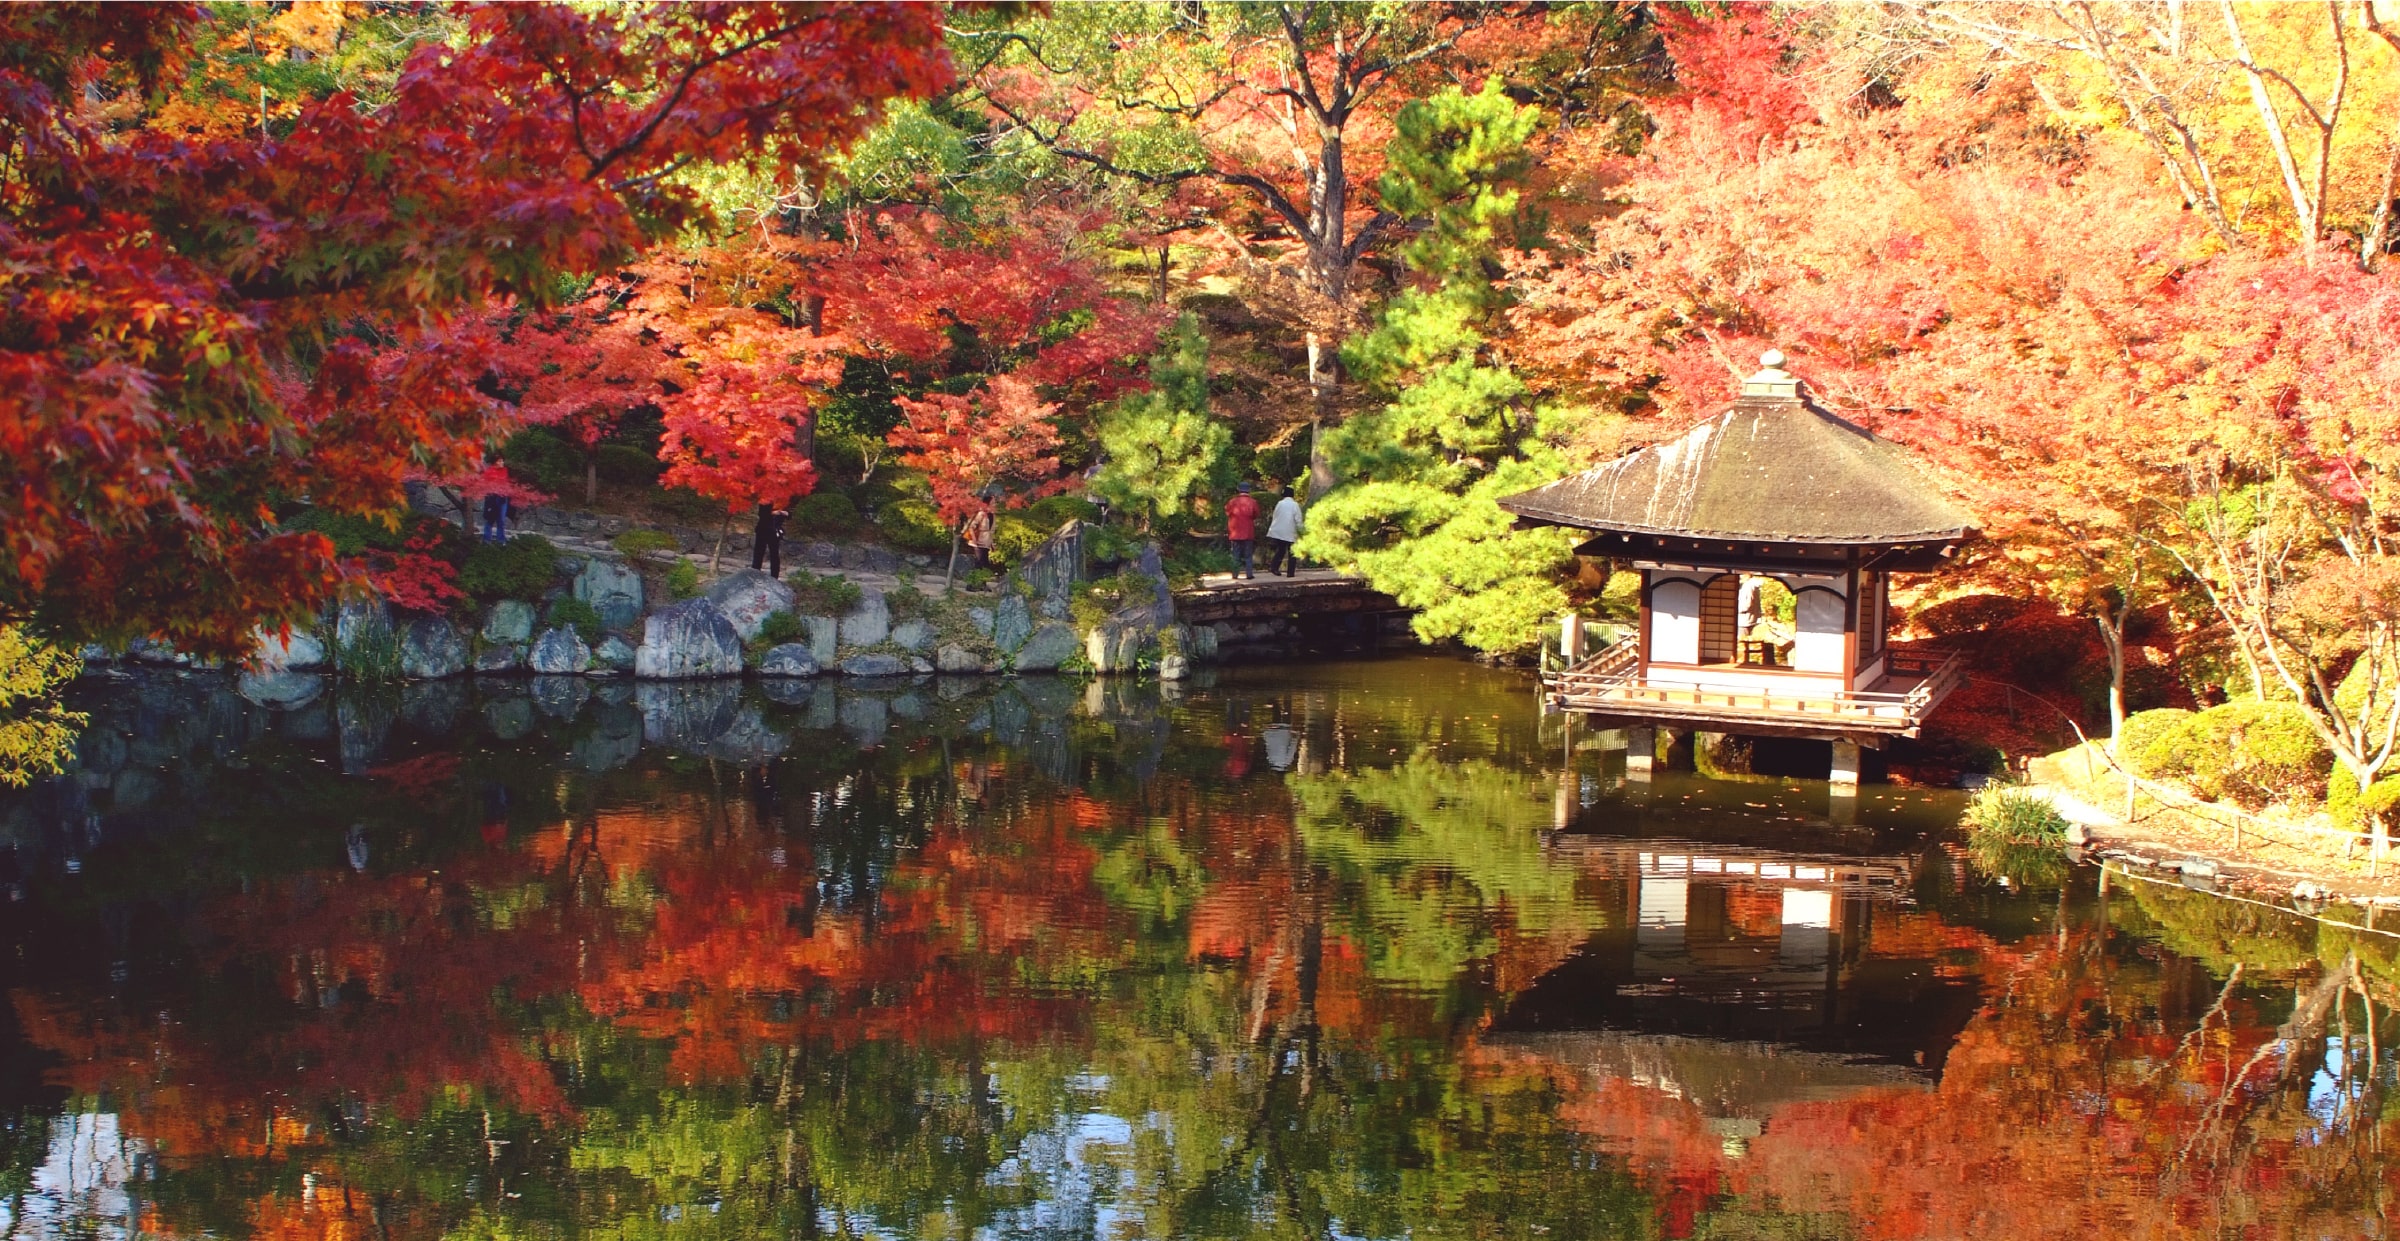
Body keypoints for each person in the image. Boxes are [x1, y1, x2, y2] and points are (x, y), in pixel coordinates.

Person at [1264, 483, 1304, 577]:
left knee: (1281, 550)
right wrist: (1301, 531)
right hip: (1290, 531)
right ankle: (1290, 572)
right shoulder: (1295, 505)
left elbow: (1275, 516)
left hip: (1279, 531)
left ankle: (1274, 567)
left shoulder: (1280, 504)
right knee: (1292, 552)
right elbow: (1298, 519)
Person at [1225, 481, 1260, 579]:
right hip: (1248, 532)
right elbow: (1256, 514)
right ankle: (1249, 574)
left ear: (1238, 489)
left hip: (1235, 531)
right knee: (1248, 555)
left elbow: (1227, 512)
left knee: (1235, 554)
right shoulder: (1253, 502)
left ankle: (1235, 574)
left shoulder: (1232, 502)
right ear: (1249, 490)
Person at [752, 502, 789, 577]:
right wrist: (772, 513)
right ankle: (755, 573)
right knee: (759, 553)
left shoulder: (782, 500)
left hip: (774, 531)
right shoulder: (765, 499)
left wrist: (786, 513)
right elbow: (761, 514)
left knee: (774, 554)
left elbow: (789, 515)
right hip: (762, 530)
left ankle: (774, 576)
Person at [963, 502, 996, 569]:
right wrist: (974, 539)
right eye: (993, 502)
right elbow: (971, 526)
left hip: (986, 543)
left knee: (985, 563)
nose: (994, 504)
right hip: (978, 542)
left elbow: (991, 531)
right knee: (979, 562)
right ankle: (976, 576)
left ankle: (982, 576)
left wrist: (992, 544)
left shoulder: (992, 515)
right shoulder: (981, 514)